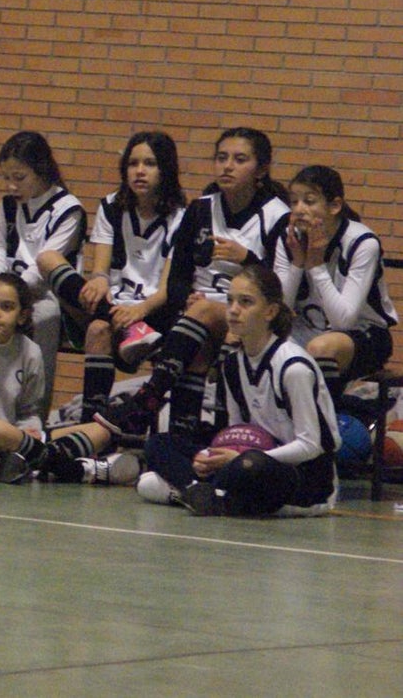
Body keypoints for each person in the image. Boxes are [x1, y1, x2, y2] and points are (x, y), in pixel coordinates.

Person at [96, 127, 290, 444]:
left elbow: (282, 288)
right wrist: (185, 297)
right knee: (196, 343)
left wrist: (248, 258)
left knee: (203, 319)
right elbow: (177, 277)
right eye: (222, 158)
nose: (227, 166)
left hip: (253, 316)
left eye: (239, 159)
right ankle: (181, 438)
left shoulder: (276, 216)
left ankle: (149, 398)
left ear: (262, 169)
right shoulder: (201, 208)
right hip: (198, 317)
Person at [137, 265, 340, 517]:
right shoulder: (232, 364)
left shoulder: (293, 367)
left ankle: (198, 492)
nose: (233, 310)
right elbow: (236, 432)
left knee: (249, 466)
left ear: (270, 311)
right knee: (158, 443)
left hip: (302, 476)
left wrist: (240, 458)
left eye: (245, 302)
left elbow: (311, 445)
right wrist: (209, 458)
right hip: (244, 461)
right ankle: (200, 491)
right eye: (230, 300)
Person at [0, 272, 140, 485]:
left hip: (15, 437)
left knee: (99, 431)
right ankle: (72, 469)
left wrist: (30, 429)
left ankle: (28, 462)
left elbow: (29, 412)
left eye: (6, 307)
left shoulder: (31, 352)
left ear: (23, 315)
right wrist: (7, 431)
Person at [37, 131, 187, 425]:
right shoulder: (111, 206)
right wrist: (99, 280)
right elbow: (100, 268)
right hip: (113, 306)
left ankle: (97, 426)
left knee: (96, 329)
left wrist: (138, 312)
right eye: (133, 163)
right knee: (47, 259)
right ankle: (90, 427)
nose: (139, 171)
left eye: (150, 164)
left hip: (155, 313)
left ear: (165, 170)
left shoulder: (181, 216)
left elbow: (169, 288)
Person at [0, 131, 87, 413]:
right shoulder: (8, 205)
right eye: (6, 178)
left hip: (47, 296)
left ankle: (34, 418)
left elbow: (40, 272)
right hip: (6, 290)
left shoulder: (69, 210)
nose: (11, 186)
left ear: (42, 171)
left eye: (19, 178)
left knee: (42, 317)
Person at [274, 165, 397, 403]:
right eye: (294, 202)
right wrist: (298, 263)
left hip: (363, 334)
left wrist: (316, 265)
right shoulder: (287, 237)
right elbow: (279, 310)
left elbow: (344, 321)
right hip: (306, 328)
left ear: (334, 206)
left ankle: (322, 425)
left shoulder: (362, 242)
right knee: (253, 339)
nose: (299, 210)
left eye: (309, 201)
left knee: (321, 348)